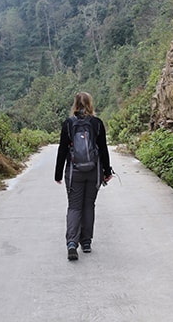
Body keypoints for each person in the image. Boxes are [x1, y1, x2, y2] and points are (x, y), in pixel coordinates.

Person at [55, 92, 113, 261]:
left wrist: (58, 173)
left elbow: (62, 150)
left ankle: (72, 243)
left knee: (74, 207)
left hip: (74, 172)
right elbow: (103, 149)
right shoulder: (97, 123)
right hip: (93, 171)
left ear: (75, 104)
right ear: (90, 104)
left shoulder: (68, 124)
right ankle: (86, 242)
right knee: (89, 206)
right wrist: (107, 172)